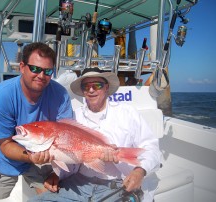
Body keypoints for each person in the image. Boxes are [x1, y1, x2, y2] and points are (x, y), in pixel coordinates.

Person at [0, 42, 73, 202]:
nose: (41, 76)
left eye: (48, 71)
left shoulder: (60, 94)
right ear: (22, 67)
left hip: (43, 154)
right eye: (35, 69)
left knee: (56, 197)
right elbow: (5, 145)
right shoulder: (1, 97)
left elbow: (67, 134)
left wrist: (58, 171)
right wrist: (32, 157)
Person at [32, 67, 162, 202]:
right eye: (86, 86)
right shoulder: (74, 117)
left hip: (117, 184)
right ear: (82, 91)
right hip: (80, 182)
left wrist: (139, 171)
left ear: (106, 87)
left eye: (97, 85)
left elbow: (151, 148)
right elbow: (70, 156)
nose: (91, 90)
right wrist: (57, 174)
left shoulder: (127, 113)